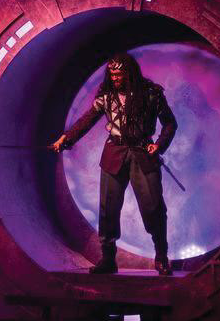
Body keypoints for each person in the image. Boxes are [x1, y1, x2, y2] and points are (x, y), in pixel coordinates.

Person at [51, 52, 178, 275]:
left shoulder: (151, 93)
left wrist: (159, 145)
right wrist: (67, 138)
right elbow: (88, 119)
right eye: (112, 74)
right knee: (108, 209)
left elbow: (169, 123)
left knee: (153, 207)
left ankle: (161, 256)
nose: (115, 78)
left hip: (142, 153)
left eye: (119, 74)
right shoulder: (107, 95)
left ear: (129, 73)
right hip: (114, 153)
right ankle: (108, 259)